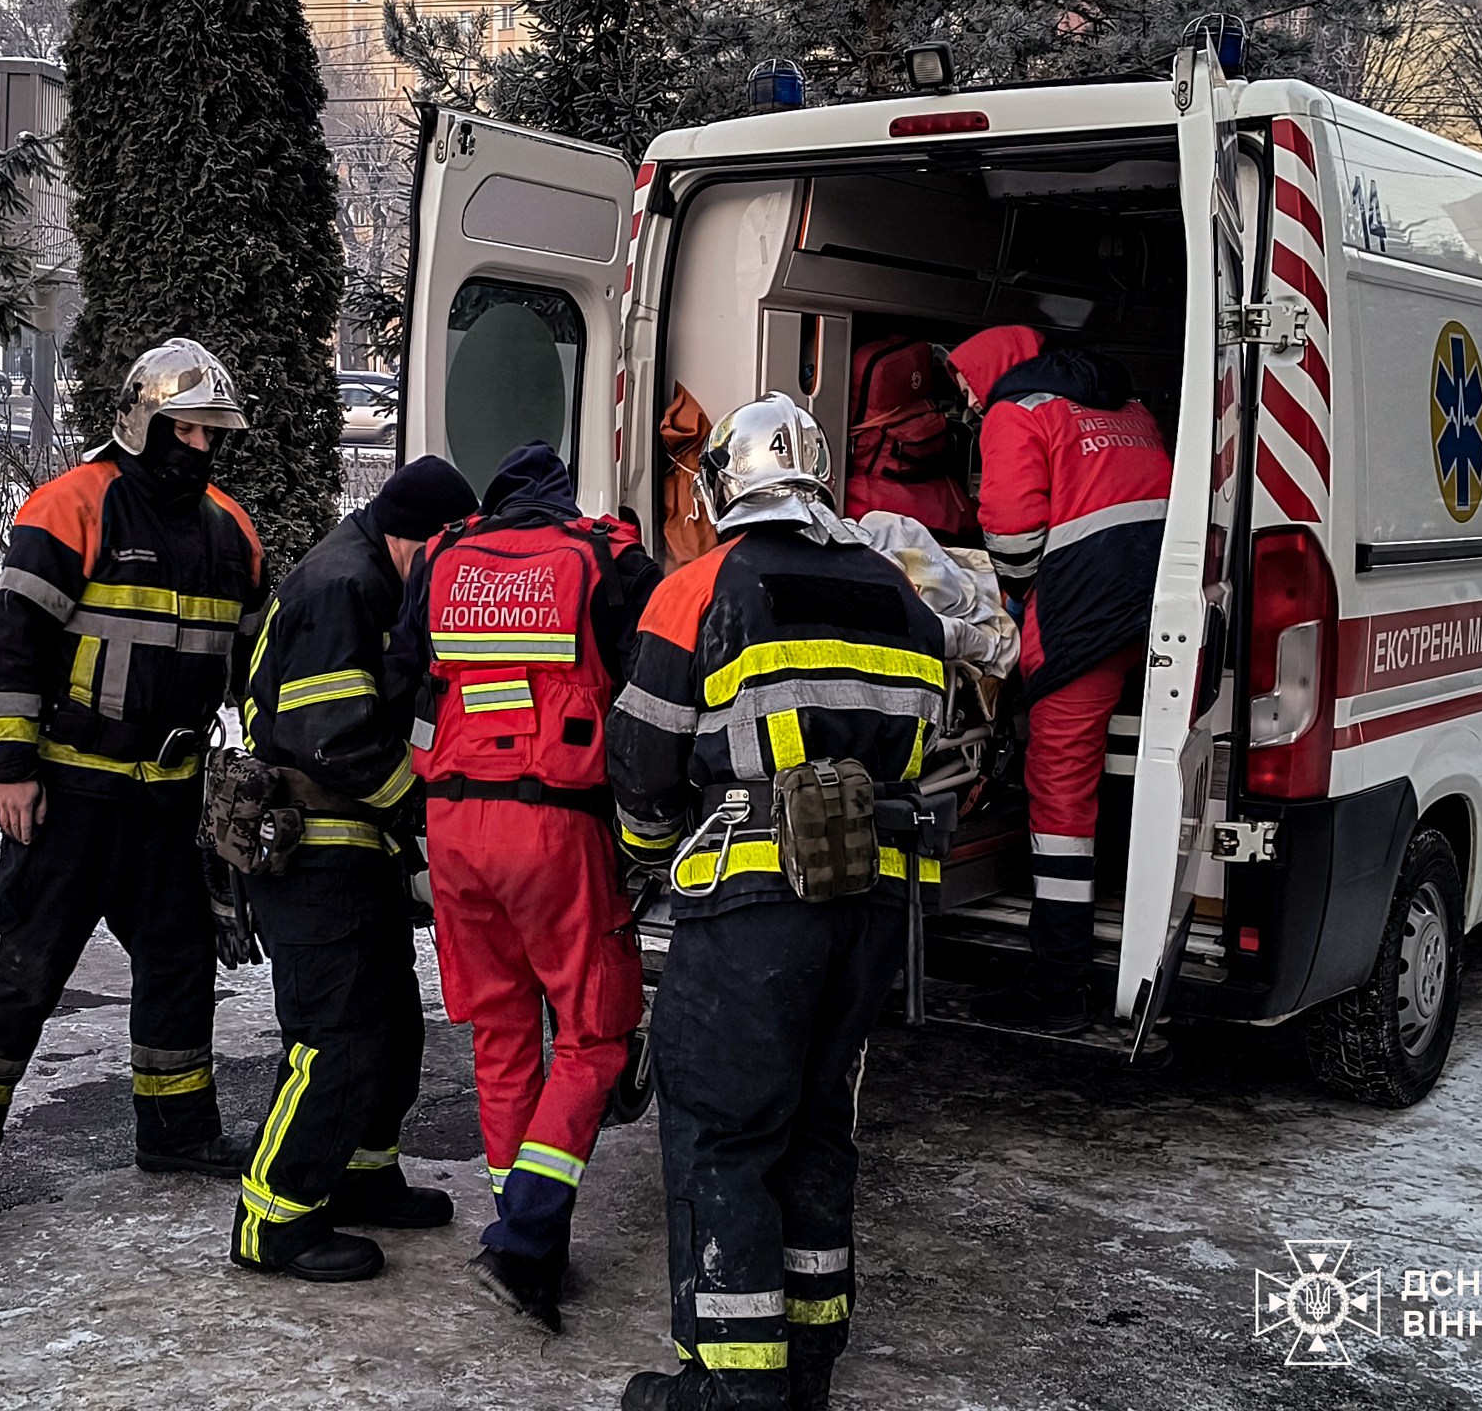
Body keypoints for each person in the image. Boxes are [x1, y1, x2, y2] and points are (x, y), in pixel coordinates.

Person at [610, 396, 946, 1411]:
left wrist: (653, 851)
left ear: (724, 485)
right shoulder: (902, 599)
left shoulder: (701, 587)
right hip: (871, 907)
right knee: (814, 1131)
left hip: (753, 908)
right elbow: (927, 763)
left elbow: (640, 758)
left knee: (722, 1131)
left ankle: (730, 1387)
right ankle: (806, 1367)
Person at [0, 338, 268, 1220]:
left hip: (170, 799)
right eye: (185, 430)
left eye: (211, 434)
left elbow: (260, 663)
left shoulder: (233, 532)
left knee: (182, 965)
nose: (200, 448)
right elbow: (9, 646)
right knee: (21, 973)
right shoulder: (71, 506)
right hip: (71, 794)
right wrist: (9, 765)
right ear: (141, 420)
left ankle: (177, 1132)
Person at [389, 440, 661, 1332]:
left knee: (502, 1032)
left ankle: (520, 1227)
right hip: (557, 824)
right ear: (559, 499)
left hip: (455, 825)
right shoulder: (604, 557)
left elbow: (406, 686)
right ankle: (526, 1238)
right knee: (596, 1037)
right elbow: (653, 694)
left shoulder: (441, 557)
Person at [229, 456, 481, 1282]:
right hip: (313, 849)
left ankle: (363, 1175)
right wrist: (424, 808)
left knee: (391, 1027)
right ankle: (277, 1219)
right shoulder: (344, 583)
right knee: (334, 1036)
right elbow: (331, 732)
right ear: (422, 538)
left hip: (348, 848)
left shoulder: (375, 570)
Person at [946, 326, 1173, 1033]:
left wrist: (1009, 601)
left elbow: (1012, 536)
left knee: (1061, 797)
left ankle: (1059, 982)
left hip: (1080, 619)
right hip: (1158, 611)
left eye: (962, 385)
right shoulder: (1127, 406)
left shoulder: (1017, 413)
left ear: (988, 372)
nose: (963, 402)